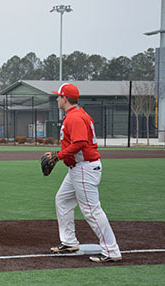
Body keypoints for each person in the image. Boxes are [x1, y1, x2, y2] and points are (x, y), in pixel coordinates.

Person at [47, 83, 122, 263]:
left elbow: (80, 142)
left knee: (91, 210)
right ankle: (69, 242)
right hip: (78, 168)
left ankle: (111, 250)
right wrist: (61, 155)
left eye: (59, 96)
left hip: (84, 168)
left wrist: (59, 156)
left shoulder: (75, 117)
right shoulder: (75, 115)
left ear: (65, 99)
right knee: (63, 200)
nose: (57, 98)